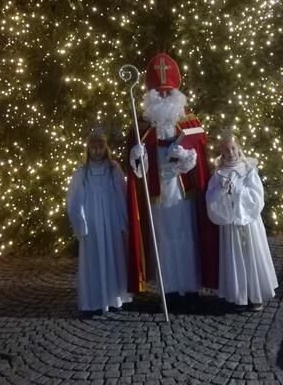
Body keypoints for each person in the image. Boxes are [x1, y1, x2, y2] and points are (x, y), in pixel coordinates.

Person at [127, 53, 218, 309]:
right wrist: (137, 156)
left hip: (182, 193)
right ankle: (169, 290)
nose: (164, 97)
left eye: (168, 93)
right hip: (158, 194)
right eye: (160, 93)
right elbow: (136, 171)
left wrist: (187, 157)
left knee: (187, 238)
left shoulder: (189, 121)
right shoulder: (141, 125)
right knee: (163, 240)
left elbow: (199, 154)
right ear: (152, 95)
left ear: (176, 94)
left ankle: (190, 289)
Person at [206, 131, 278, 312]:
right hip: (230, 225)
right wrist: (222, 192)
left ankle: (255, 295)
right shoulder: (218, 174)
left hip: (249, 223)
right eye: (226, 150)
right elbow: (211, 198)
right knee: (235, 256)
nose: (230, 153)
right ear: (221, 152)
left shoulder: (248, 169)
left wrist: (238, 192)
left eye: (233, 148)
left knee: (251, 254)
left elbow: (257, 195)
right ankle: (240, 296)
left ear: (238, 148)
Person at [67, 128, 132, 313]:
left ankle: (115, 297)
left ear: (106, 147)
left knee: (114, 255)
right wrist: (81, 223)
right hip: (93, 222)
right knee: (95, 259)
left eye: (100, 146)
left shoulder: (114, 169)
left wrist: (123, 220)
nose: (97, 151)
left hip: (111, 219)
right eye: (93, 147)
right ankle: (94, 301)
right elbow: (75, 200)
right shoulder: (82, 173)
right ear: (88, 149)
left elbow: (121, 194)